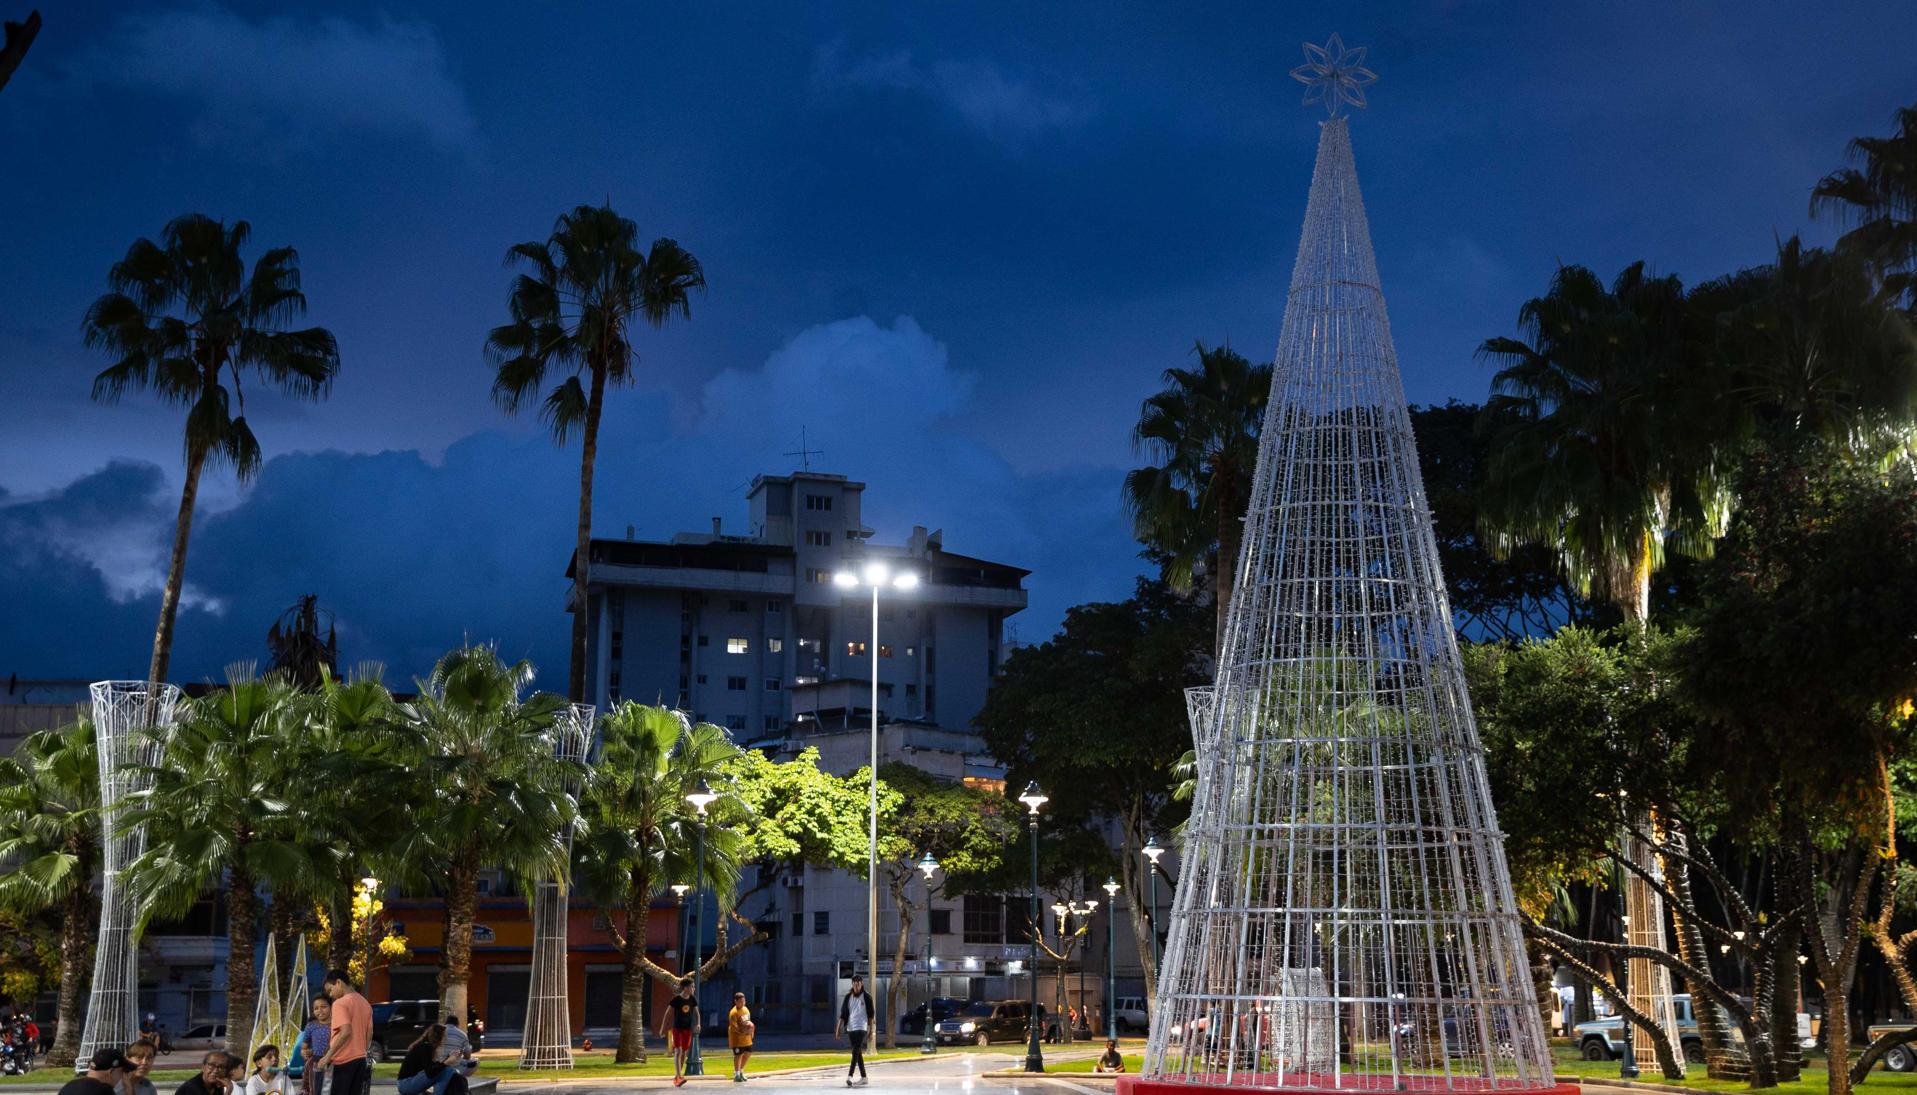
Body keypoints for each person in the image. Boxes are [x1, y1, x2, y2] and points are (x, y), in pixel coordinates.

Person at [314, 970, 372, 1095]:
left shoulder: (340, 1003)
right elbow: (369, 1032)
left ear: (339, 983)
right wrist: (363, 1051)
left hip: (342, 1061)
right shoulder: (365, 1003)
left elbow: (346, 1032)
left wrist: (327, 1057)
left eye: (330, 990)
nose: (330, 995)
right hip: (360, 1060)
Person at [657, 978, 699, 1088]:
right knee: (678, 1050)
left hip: (687, 1030)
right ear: (685, 988)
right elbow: (667, 1014)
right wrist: (662, 1029)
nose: (693, 988)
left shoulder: (692, 999)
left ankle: (678, 1076)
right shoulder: (676, 1000)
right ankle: (678, 1076)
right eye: (692, 986)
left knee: (684, 1052)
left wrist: (698, 1024)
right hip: (677, 1029)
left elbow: (697, 1013)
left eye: (694, 987)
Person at [833, 974, 871, 1087]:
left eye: (858, 984)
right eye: (855, 984)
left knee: (855, 1050)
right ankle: (864, 1077)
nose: (857, 986)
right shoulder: (848, 997)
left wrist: (872, 1031)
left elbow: (871, 1015)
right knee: (857, 1052)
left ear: (861, 984)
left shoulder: (867, 997)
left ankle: (850, 1075)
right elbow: (843, 1015)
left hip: (862, 1027)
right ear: (852, 984)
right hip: (850, 1028)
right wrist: (838, 1029)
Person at [289, 997, 331, 1095]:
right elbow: (303, 1047)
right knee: (315, 1089)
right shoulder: (311, 1026)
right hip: (316, 1063)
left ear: (331, 1007)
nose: (319, 1010)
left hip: (335, 1062)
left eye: (323, 1007)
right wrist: (305, 1052)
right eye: (316, 1008)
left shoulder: (337, 1024)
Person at [395, 1026, 445, 1095]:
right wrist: (446, 1063)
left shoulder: (424, 1046)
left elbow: (430, 1068)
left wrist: (445, 1061)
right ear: (439, 1037)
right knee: (446, 1070)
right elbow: (430, 1073)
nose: (446, 1039)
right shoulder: (426, 1047)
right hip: (406, 1085)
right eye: (445, 1036)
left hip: (404, 1084)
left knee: (443, 1069)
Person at [61, 1049, 131, 1095]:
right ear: (112, 1071)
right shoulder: (103, 1091)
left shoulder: (70, 1087)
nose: (123, 1076)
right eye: (122, 1072)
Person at [726, 992, 754, 1083]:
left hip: (747, 1038)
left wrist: (751, 1031)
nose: (743, 1003)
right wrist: (743, 1031)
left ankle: (741, 1071)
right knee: (738, 1055)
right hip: (737, 1038)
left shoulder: (746, 1009)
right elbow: (734, 1027)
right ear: (736, 1001)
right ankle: (736, 1074)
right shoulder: (733, 1013)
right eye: (741, 1001)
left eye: (744, 1001)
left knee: (748, 1053)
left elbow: (748, 1022)